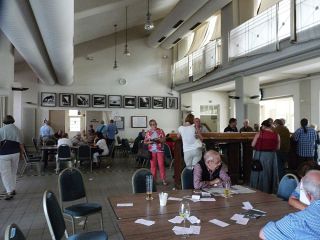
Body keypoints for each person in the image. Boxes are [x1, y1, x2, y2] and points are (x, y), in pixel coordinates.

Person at [259, 170, 320, 239]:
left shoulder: (297, 222)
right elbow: (292, 199)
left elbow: (264, 233)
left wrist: (310, 211)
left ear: (308, 195)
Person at [250, 119, 280, 194]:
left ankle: (257, 189)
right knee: (270, 172)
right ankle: (270, 190)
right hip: (272, 156)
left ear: (263, 126)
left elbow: (252, 145)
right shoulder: (277, 135)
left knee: (259, 172)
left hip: (260, 155)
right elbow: (278, 148)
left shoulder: (259, 134)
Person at [0, 115, 23, 200]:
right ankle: (12, 189)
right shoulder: (18, 130)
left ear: (4, 121)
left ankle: (9, 191)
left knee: (5, 173)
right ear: (13, 120)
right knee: (13, 171)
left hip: (4, 154)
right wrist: (22, 155)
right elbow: (21, 144)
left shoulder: (1, 130)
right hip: (15, 153)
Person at [144, 119, 167, 185]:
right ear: (150, 125)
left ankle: (163, 179)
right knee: (153, 166)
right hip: (151, 150)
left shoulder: (160, 131)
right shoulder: (148, 132)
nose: (154, 126)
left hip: (160, 150)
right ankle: (154, 180)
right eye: (153, 124)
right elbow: (145, 142)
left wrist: (159, 140)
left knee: (161, 165)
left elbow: (164, 140)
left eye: (155, 124)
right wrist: (150, 141)